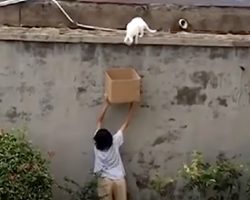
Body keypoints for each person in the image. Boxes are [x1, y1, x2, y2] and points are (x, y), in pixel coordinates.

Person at [93, 99, 135, 200]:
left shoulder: (96, 144)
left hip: (104, 179)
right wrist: (133, 105)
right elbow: (126, 123)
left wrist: (106, 104)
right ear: (110, 139)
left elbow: (99, 121)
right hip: (118, 178)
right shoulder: (115, 141)